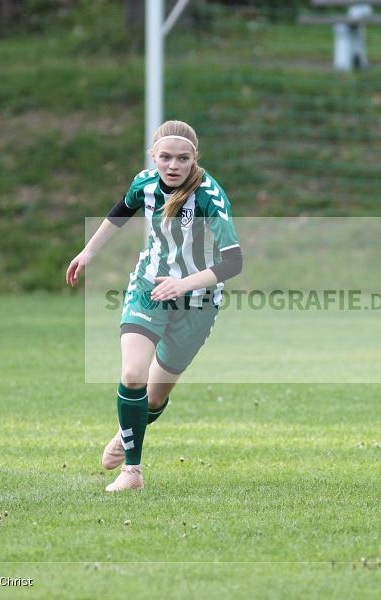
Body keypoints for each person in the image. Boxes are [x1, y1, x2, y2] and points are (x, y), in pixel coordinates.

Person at [66, 121, 243, 490]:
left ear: (195, 159)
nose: (173, 165)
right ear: (154, 157)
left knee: (154, 395)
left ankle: (126, 431)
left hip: (198, 301)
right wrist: (88, 251)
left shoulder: (210, 195)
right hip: (148, 288)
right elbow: (120, 212)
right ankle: (132, 472)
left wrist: (184, 283)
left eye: (183, 158)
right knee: (133, 375)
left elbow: (233, 262)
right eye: (165, 157)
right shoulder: (145, 183)